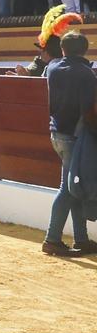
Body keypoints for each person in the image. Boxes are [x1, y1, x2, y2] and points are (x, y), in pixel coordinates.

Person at [43, 30, 97, 256]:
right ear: (85, 49)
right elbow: (88, 110)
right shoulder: (86, 74)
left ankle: (81, 239)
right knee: (68, 188)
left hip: (57, 133)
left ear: (63, 49)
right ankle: (52, 239)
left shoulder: (53, 67)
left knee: (74, 186)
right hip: (77, 137)